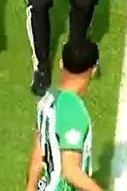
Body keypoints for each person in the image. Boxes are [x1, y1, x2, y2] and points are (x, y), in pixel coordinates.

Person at [25, 39, 101, 191]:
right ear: (93, 70)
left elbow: (37, 154)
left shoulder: (48, 99)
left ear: (61, 63)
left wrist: (30, 188)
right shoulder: (74, 111)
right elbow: (70, 171)